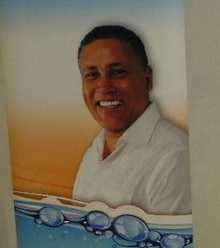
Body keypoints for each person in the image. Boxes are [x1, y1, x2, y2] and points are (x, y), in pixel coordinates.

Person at [72, 24, 191, 215]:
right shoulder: (94, 152)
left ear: (147, 80)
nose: (104, 87)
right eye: (92, 75)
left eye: (118, 72)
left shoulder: (174, 159)